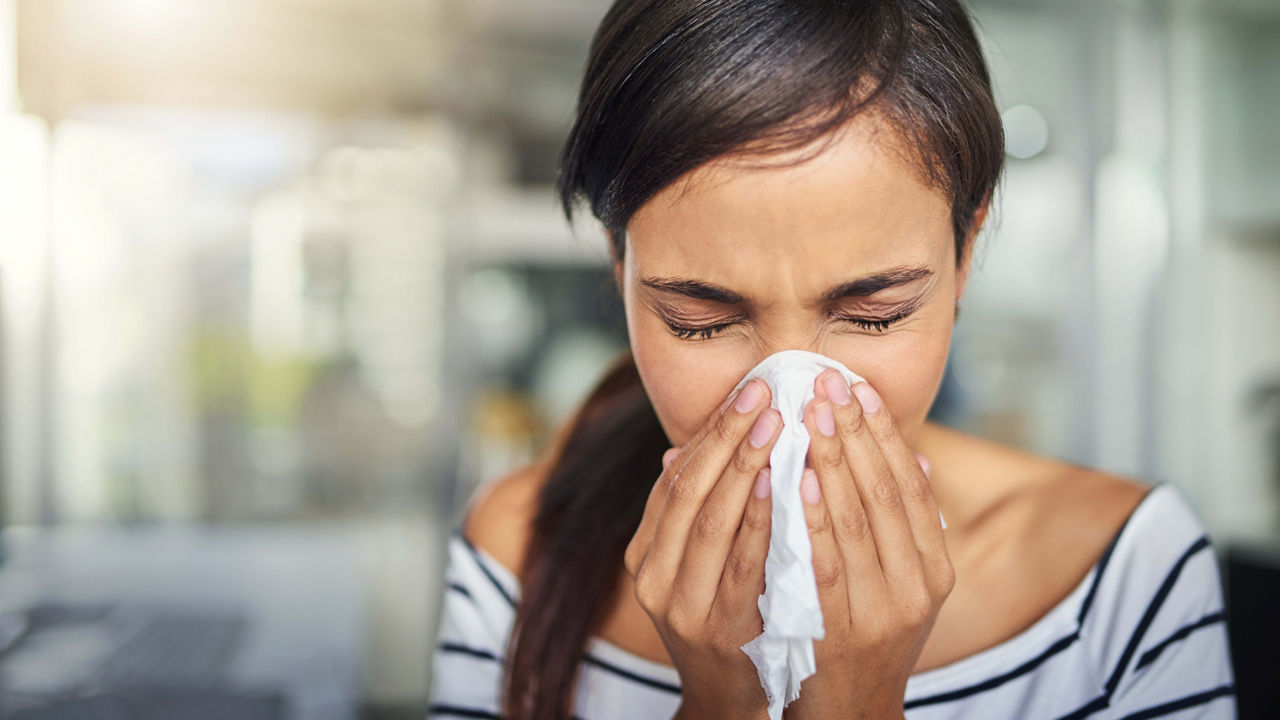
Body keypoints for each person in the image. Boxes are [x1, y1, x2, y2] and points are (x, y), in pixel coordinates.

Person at [428, 1, 1237, 718]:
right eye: (701, 322)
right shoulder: (519, 553)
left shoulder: (1122, 575)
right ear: (619, 264)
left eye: (872, 315)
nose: (787, 404)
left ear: (964, 255)